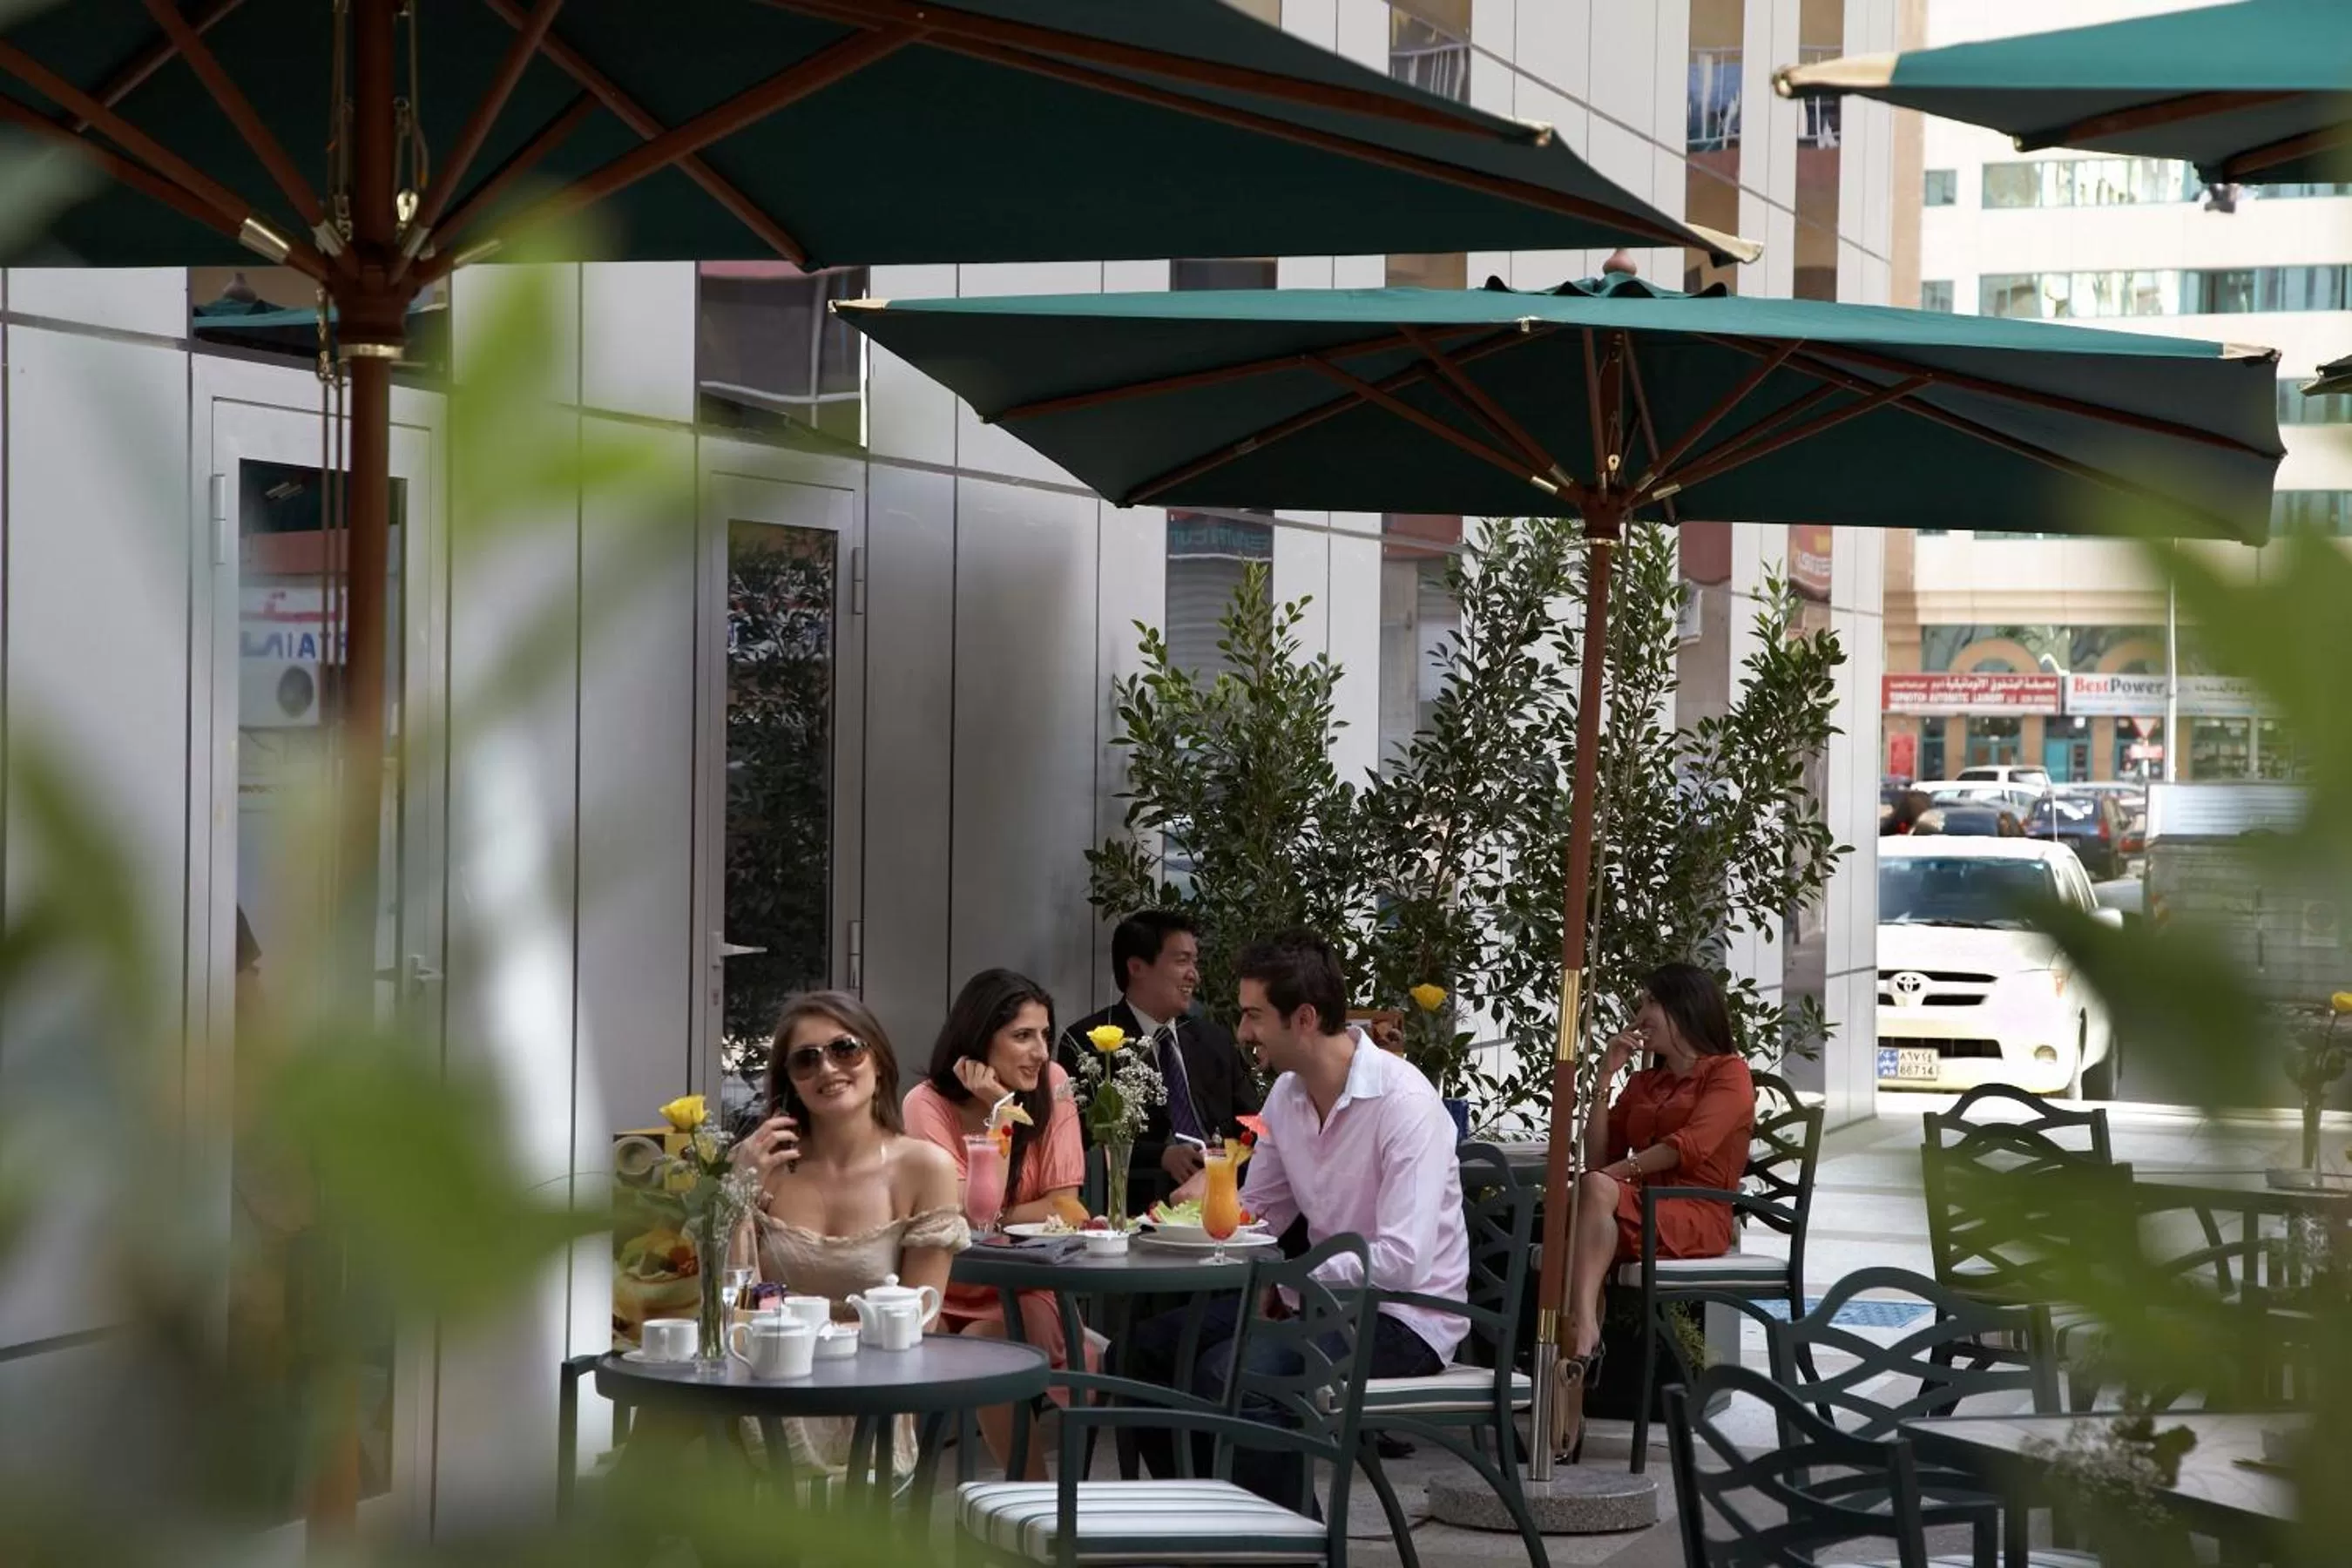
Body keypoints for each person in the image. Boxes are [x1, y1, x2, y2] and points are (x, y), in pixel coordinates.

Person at [1122, 928, 1468, 1509]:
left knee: (1233, 1370)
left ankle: (1291, 1543)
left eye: (1254, 1016)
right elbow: (1262, 1214)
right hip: (1317, 1300)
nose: (1243, 1033)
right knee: (1146, 1351)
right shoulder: (1288, 1094)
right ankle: (1214, 1524)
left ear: (1304, 1018)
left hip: (1407, 1320)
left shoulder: (1405, 1105)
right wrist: (1186, 1217)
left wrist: (1286, 1281)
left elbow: (1405, 1263)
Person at [731, 990, 967, 1484]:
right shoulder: (764, 1166)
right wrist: (735, 1196)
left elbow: (921, 1320)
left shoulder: (923, 1168)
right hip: (762, 1384)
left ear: (877, 1059)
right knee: (675, 1414)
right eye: (806, 1060)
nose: (827, 1069)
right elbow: (735, 1306)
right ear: (791, 1081)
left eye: (845, 1049)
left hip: (867, 1399)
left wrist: (804, 1343)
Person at [902, 968, 1098, 1478]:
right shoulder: (926, 1105)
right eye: (1022, 1036)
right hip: (947, 1285)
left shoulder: (1054, 1083)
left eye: (1044, 1035)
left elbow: (1066, 1208)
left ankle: (1033, 1504)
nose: (1041, 1051)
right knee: (900, 1341)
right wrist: (1001, 1114)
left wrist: (997, 1213)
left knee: (986, 1342)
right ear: (978, 1039)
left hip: (1031, 1287)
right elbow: (963, 1217)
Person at [1558, 961, 1754, 1453]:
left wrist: (1613, 1179)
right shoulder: (1647, 1083)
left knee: (1592, 1205)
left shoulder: (1729, 1074)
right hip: (1637, 1212)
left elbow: (1690, 1145)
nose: (1640, 1013)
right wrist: (1605, 1077)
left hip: (1697, 1213)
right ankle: (1579, 1367)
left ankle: (1580, 1345)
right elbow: (1600, 1154)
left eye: (1649, 1002)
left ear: (1681, 1008)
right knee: (1588, 1219)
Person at [1061, 911, 1262, 1208]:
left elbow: (1253, 1124)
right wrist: (1161, 1155)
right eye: (1182, 961)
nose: (1194, 974)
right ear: (1137, 967)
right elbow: (1084, 1138)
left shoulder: (1212, 1040)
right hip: (1142, 1202)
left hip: (1223, 1192)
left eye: (1195, 962)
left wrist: (1228, 1159)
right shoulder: (1088, 1042)